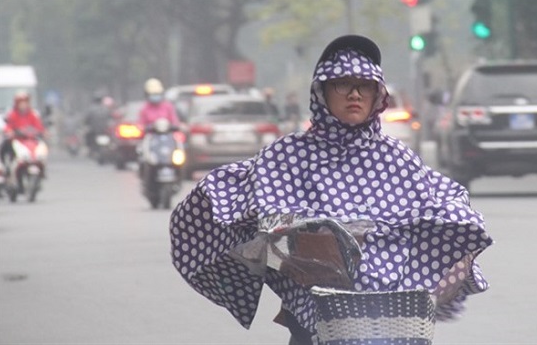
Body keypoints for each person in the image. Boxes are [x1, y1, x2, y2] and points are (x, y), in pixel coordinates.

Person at [170, 35, 493, 344]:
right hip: (316, 307)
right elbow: (270, 218)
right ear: (322, 91)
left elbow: (439, 202)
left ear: (378, 95)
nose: (355, 94)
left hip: (392, 311)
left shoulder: (399, 157)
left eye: (365, 86)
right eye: (343, 84)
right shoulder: (286, 154)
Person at [0, 91, 46, 169]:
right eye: (21, 103)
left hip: (30, 140)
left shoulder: (32, 114)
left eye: (25, 102)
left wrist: (43, 132)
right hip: (17, 140)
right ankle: (7, 167)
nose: (23, 105)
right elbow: (8, 126)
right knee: (5, 146)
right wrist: (9, 132)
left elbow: (38, 126)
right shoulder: (13, 114)